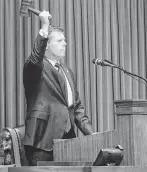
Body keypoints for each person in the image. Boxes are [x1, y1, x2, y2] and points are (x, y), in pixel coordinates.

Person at [23, 11, 95, 165]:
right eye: (60, 40)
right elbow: (35, 57)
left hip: (68, 143)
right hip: (42, 141)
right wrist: (44, 26)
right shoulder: (37, 66)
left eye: (65, 40)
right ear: (47, 45)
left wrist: (92, 134)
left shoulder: (67, 71)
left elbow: (76, 108)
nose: (65, 44)